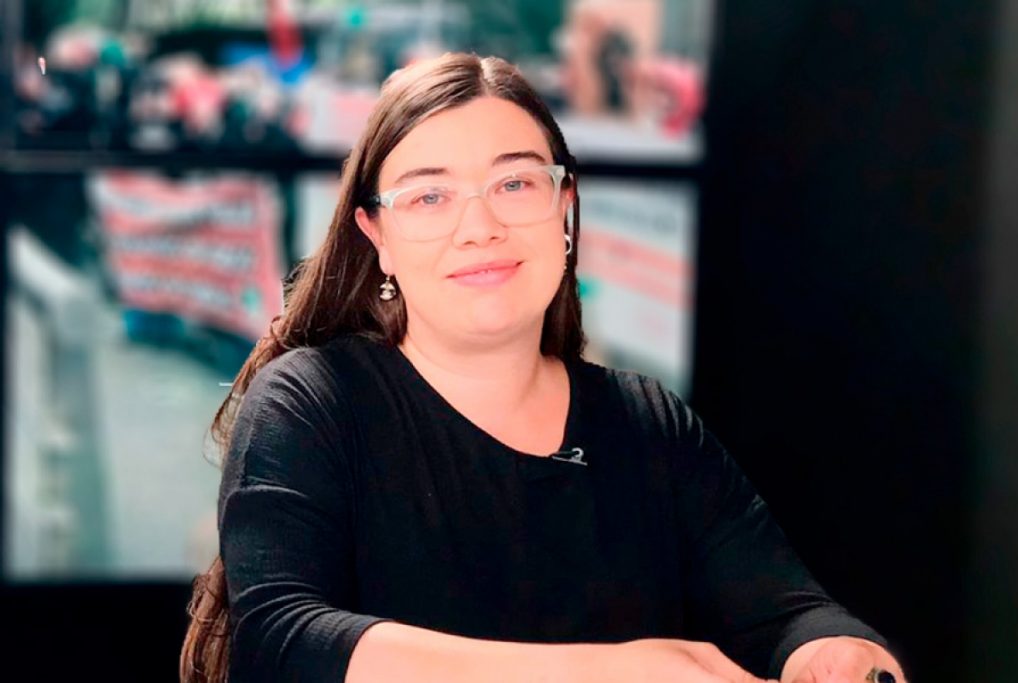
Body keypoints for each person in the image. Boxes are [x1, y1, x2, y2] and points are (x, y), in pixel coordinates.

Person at [180, 53, 906, 683]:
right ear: (378, 237)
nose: (480, 227)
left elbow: (786, 612)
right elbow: (284, 643)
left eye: (516, 185)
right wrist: (616, 671)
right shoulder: (314, 401)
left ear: (564, 205)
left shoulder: (646, 423)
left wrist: (834, 652)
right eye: (429, 196)